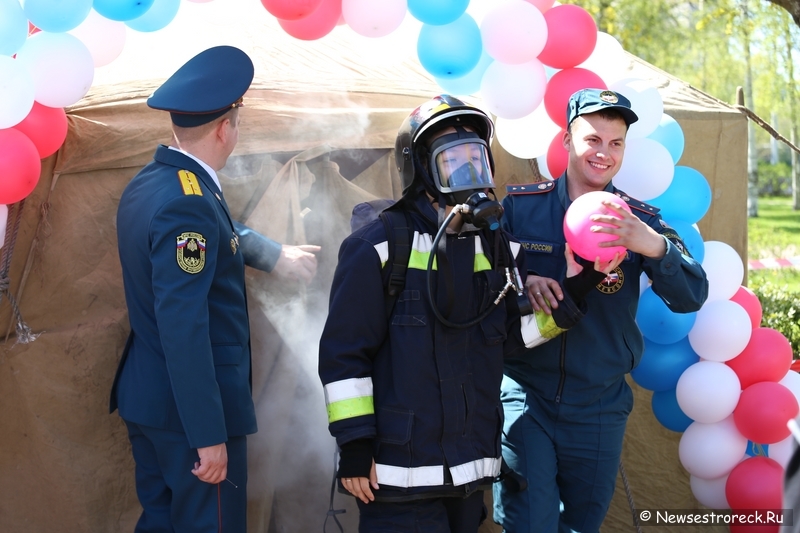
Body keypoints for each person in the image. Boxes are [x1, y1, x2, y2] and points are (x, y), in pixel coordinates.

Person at [318, 94, 622, 533]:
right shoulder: (377, 247)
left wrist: (583, 282)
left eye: (476, 159)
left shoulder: (496, 246)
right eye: (452, 160)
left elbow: (513, 338)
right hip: (397, 476)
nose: (469, 173)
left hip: (469, 472)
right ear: (421, 167)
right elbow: (344, 358)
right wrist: (354, 445)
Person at [109, 45, 318, 533]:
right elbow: (183, 326)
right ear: (227, 127)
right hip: (192, 415)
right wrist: (208, 434)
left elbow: (214, 234)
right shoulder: (190, 203)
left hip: (150, 399)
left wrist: (273, 255)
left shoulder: (157, 182)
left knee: (160, 523)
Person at [493, 88, 709, 533]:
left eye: (616, 143)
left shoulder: (637, 218)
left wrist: (652, 245)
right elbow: (484, 291)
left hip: (598, 405)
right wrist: (522, 282)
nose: (603, 154)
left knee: (582, 525)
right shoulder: (521, 208)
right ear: (567, 140)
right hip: (526, 394)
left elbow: (691, 296)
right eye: (592, 139)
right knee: (529, 523)